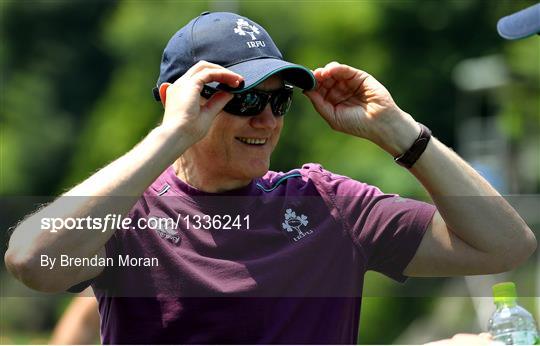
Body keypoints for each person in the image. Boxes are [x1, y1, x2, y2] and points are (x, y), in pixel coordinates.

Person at [5, 12, 536, 344]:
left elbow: (503, 247)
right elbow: (31, 261)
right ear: (178, 101)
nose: (268, 119)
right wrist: (172, 136)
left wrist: (398, 130)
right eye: (248, 99)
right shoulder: (130, 217)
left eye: (280, 101)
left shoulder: (328, 204)